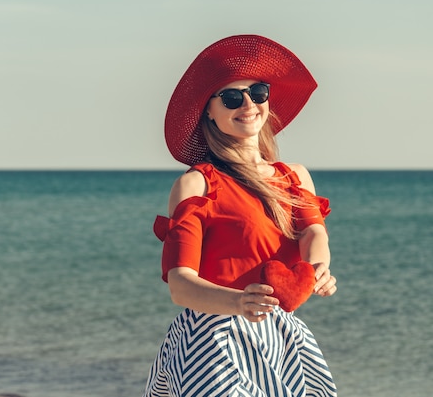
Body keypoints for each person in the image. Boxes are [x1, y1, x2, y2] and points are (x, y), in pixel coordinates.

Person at [143, 34, 338, 397]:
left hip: (279, 337)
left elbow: (314, 234)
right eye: (232, 97)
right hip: (213, 341)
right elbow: (180, 285)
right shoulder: (197, 184)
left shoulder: (294, 177)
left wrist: (316, 271)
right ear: (209, 113)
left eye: (258, 92)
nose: (249, 104)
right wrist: (238, 302)